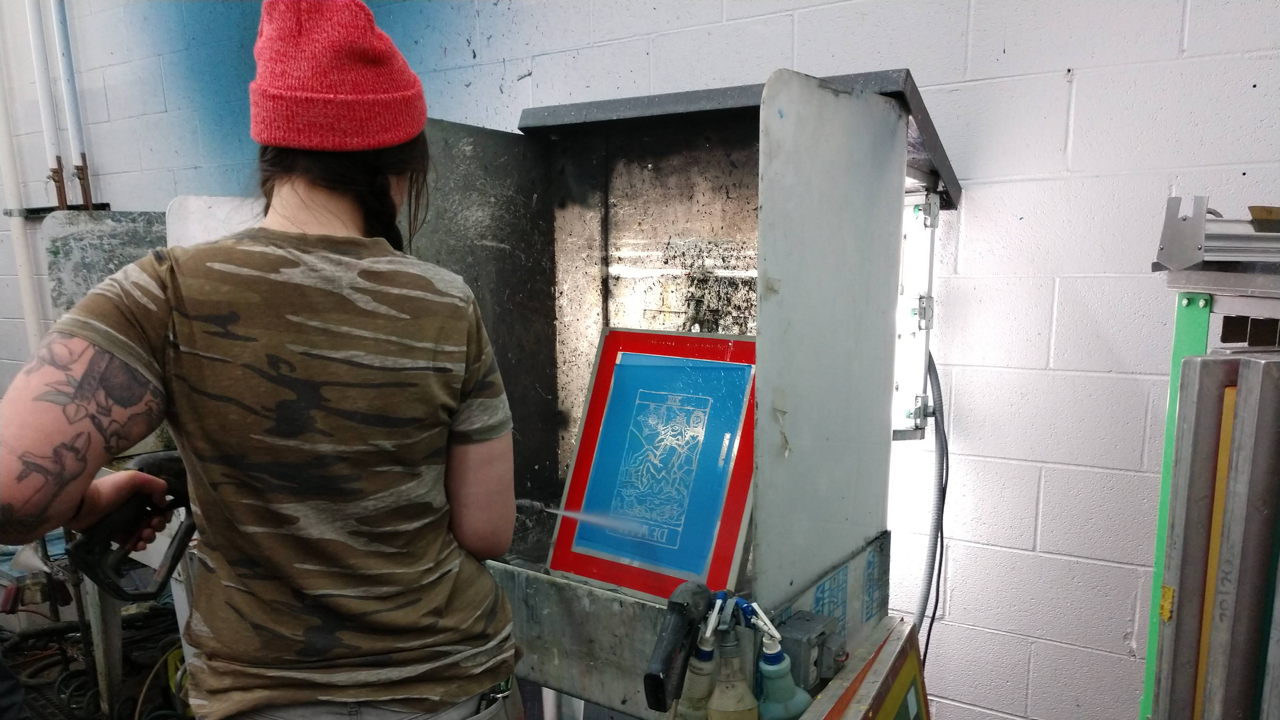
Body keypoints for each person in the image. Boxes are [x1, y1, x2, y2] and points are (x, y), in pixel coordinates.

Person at [0, 2, 520, 720]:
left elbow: (10, 492)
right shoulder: (446, 301)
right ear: (398, 166)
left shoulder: (165, 290)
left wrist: (95, 496)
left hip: (266, 696)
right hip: (449, 684)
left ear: (270, 154)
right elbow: (487, 530)